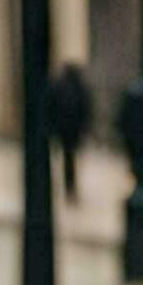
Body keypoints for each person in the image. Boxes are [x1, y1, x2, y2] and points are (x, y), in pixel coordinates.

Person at [48, 64, 92, 201]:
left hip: (66, 130)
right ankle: (70, 187)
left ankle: (69, 186)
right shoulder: (77, 88)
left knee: (68, 159)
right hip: (71, 130)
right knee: (69, 159)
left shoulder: (65, 87)